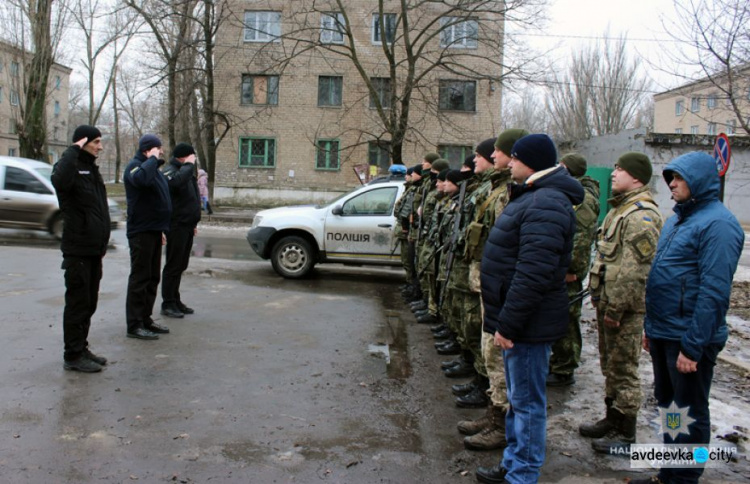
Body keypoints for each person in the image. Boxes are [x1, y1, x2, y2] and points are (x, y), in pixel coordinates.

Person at [630, 152, 744, 484]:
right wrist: (651, 328)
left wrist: (693, 347)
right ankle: (669, 473)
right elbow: (662, 279)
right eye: (670, 178)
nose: (672, 185)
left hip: (689, 340)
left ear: (699, 181)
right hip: (665, 333)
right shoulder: (679, 220)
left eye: (678, 178)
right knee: (671, 408)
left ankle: (685, 478)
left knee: (691, 413)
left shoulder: (719, 225)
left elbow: (714, 292)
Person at [477, 134, 583, 484]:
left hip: (526, 323)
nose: (506, 161)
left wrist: (508, 324)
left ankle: (522, 474)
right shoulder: (537, 197)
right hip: (521, 321)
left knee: (526, 403)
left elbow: (533, 272)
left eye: (515, 157)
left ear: (530, 162)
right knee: (519, 399)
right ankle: (514, 462)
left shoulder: (546, 203)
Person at [580, 152, 663, 454]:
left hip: (625, 309)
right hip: (610, 303)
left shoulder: (641, 215)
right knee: (610, 364)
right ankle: (612, 418)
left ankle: (625, 432)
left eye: (620, 170)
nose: (614, 174)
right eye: (613, 168)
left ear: (637, 177)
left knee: (624, 368)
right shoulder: (620, 210)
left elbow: (634, 272)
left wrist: (615, 309)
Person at [458, 128, 528, 452]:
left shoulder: (510, 194)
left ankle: (501, 425)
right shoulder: (496, 189)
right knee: (490, 352)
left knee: (497, 355)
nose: (491, 157)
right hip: (491, 282)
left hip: (501, 287)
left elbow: (510, 248)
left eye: (498, 152)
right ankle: (494, 414)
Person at [51, 125, 111, 372]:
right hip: (78, 250)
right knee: (77, 304)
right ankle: (72, 356)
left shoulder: (90, 168)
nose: (100, 146)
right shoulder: (70, 167)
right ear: (83, 142)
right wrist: (72, 149)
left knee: (89, 303)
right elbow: (59, 181)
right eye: (95, 141)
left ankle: (81, 347)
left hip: (94, 249)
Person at [547, 153, 600, 386]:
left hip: (569, 272)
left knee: (567, 318)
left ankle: (564, 368)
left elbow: (580, 239)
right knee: (558, 316)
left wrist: (572, 270)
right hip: (560, 268)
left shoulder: (583, 198)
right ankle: (559, 361)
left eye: (562, 166)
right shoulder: (573, 192)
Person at [123, 134, 172, 340]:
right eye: (157, 148)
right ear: (148, 150)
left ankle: (146, 319)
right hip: (140, 231)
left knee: (152, 277)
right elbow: (141, 180)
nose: (161, 151)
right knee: (140, 278)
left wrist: (161, 228)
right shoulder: (135, 166)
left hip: (153, 230)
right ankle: (134, 325)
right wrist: (152, 159)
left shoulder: (153, 169)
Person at [161, 143, 202, 318]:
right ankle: (168, 303)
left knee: (181, 265)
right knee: (173, 265)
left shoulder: (185, 172)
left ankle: (175, 300)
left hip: (186, 225)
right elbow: (175, 185)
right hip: (176, 225)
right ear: (183, 157)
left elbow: (191, 198)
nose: (193, 160)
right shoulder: (171, 171)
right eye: (191, 157)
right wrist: (188, 165)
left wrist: (193, 222)